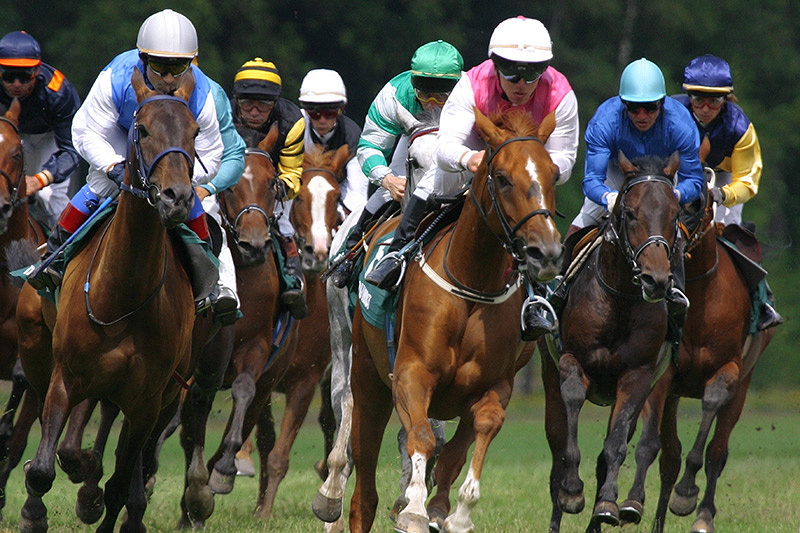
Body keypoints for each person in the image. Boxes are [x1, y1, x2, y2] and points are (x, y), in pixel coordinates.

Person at [363, 16, 579, 340]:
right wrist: (470, 159)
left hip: (526, 160)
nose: (521, 83)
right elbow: (445, 148)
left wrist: (536, 168)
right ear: (495, 65)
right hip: (476, 146)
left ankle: (538, 295)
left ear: (545, 69)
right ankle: (399, 252)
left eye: (532, 73)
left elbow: (565, 158)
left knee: (530, 202)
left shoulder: (561, 94)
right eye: (511, 72)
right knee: (435, 177)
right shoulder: (472, 84)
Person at [27, 9, 243, 324]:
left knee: (189, 199)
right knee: (100, 186)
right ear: (143, 59)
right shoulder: (115, 77)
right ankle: (53, 260)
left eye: (178, 67)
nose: (169, 78)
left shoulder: (203, 93)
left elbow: (212, 153)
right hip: (120, 138)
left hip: (169, 150)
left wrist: (176, 177)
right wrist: (113, 168)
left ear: (191, 63)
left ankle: (212, 282)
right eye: (160, 66)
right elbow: (86, 133)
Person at [569, 57, 705, 339]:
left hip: (661, 181)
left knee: (670, 227)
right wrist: (608, 198)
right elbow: (591, 180)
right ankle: (558, 286)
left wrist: (673, 196)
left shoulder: (681, 124)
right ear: (623, 104)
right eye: (633, 107)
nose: (642, 115)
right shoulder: (605, 121)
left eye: (650, 107)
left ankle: (675, 292)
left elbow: (694, 180)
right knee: (585, 219)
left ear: (662, 104)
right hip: (617, 175)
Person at [329, 39, 464, 288]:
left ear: (456, 88)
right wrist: (387, 180)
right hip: (412, 137)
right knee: (389, 189)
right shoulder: (393, 96)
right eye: (424, 94)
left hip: (458, 142)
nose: (431, 104)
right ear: (413, 85)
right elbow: (369, 146)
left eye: (441, 96)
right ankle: (351, 251)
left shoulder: (471, 94)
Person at [675, 54, 782, 330]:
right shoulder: (671, 113)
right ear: (688, 95)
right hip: (681, 172)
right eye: (698, 99)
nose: (706, 108)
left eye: (715, 101)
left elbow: (748, 179)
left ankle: (761, 299)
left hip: (725, 177)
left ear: (727, 98)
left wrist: (722, 196)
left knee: (728, 230)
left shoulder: (739, 127)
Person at [231, 57, 308, 319]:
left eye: (263, 105)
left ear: (274, 104)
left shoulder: (292, 122)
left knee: (283, 221)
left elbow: (292, 174)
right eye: (247, 104)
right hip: (230, 181)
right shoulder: (222, 117)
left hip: (271, 180)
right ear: (237, 101)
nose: (254, 111)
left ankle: (292, 275)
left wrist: (272, 190)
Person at [0, 30, 81, 228]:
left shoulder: (59, 92)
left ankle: (61, 244)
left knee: (48, 197)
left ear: (36, 70)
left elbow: (72, 150)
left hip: (49, 138)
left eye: (24, 76)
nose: (16, 84)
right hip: (8, 137)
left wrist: (40, 179)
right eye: (9, 76)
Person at [298, 68, 368, 214]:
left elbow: (357, 194)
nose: (322, 120)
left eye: (330, 113)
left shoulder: (352, 136)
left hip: (337, 194)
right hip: (298, 191)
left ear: (341, 110)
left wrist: (340, 214)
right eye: (314, 113)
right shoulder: (295, 127)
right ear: (305, 110)